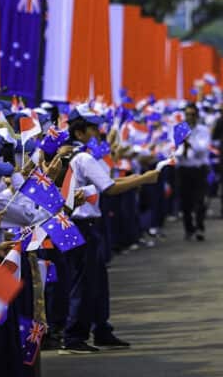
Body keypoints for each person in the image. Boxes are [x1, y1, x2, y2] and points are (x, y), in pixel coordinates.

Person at [59, 105, 162, 354]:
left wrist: (143, 177)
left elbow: (110, 180)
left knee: (96, 279)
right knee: (83, 281)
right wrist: (145, 178)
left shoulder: (80, 154)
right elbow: (110, 188)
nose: (99, 132)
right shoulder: (82, 157)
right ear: (80, 132)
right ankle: (74, 336)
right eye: (93, 128)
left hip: (81, 224)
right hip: (81, 224)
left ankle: (101, 329)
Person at [175, 103, 211, 241]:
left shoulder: (202, 130)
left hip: (198, 169)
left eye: (193, 114)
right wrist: (182, 147)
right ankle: (188, 228)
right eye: (188, 114)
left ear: (197, 115)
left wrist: (188, 142)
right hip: (184, 169)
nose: (190, 117)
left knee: (200, 200)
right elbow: (175, 151)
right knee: (186, 202)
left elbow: (202, 149)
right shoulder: (179, 129)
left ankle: (200, 227)